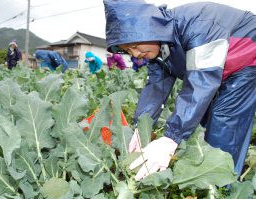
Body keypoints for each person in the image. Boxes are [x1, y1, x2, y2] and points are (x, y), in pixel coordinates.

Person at [103, 0, 256, 181]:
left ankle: (221, 185)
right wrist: (140, 126)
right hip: (220, 71)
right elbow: (156, 88)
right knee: (204, 121)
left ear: (149, 28)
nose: (135, 55)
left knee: (224, 121)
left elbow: (201, 81)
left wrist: (171, 137)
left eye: (135, 46)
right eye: (128, 51)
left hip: (247, 58)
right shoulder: (157, 50)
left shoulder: (197, 24)